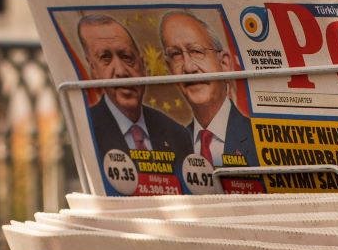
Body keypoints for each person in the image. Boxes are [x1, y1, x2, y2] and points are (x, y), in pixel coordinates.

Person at [77, 13, 191, 159]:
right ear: (94, 70)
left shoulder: (178, 135)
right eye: (106, 58)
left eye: (126, 57)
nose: (121, 71)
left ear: (143, 66)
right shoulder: (84, 129)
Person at [158, 11, 257, 169]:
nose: (189, 68)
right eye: (176, 55)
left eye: (196, 51)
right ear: (170, 69)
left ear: (224, 64)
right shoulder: (168, 147)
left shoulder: (258, 138)